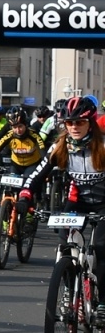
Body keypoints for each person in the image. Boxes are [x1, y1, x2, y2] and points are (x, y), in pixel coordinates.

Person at [19, 97, 105, 284]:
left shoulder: (102, 145)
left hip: (103, 205)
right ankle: (69, 290)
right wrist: (25, 196)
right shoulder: (61, 146)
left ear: (90, 123)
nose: (74, 127)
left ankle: (101, 297)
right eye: (69, 123)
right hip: (77, 202)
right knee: (66, 246)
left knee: (101, 249)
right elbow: (37, 175)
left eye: (80, 122)